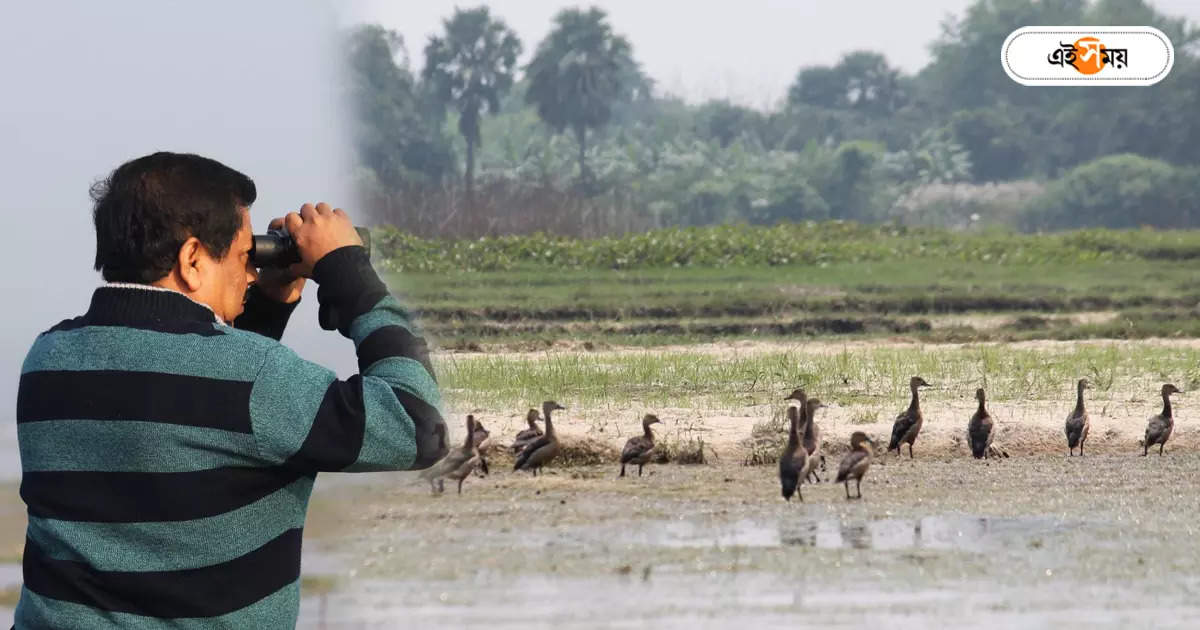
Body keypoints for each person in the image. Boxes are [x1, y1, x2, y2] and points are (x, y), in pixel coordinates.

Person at [13, 151, 447, 628]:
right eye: (245, 257)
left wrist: (265, 303)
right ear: (192, 258)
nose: (250, 273)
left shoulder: (48, 359)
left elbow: (205, 418)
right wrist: (352, 278)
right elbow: (417, 426)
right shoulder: (252, 380)